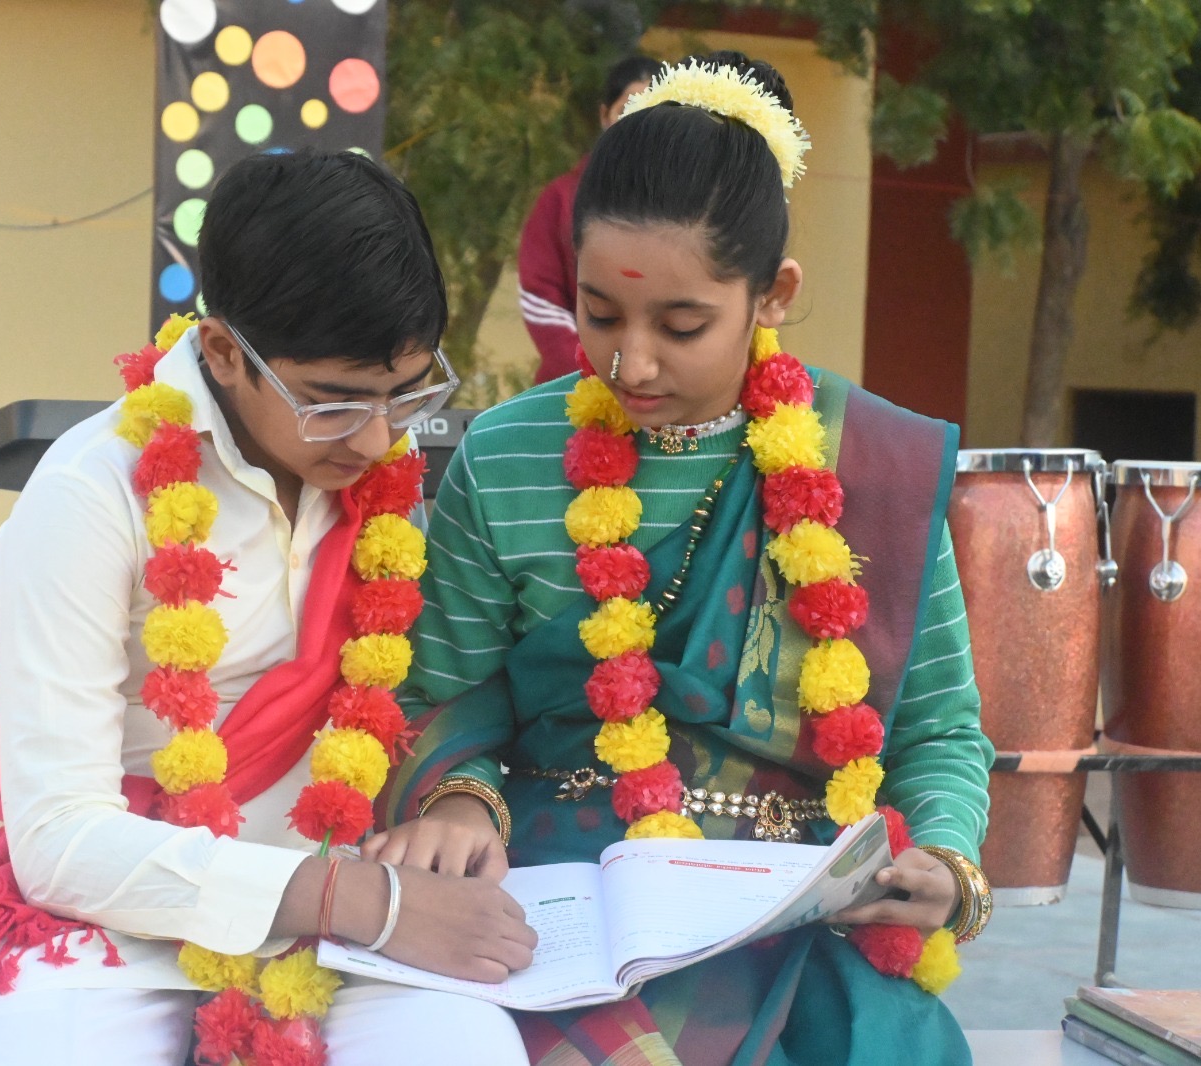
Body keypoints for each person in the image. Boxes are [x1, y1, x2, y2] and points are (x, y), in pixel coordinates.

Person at [371, 53, 995, 1065]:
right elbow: (436, 695)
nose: (632, 361)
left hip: (798, 913)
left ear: (773, 294)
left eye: (682, 324)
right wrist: (458, 797)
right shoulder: (508, 454)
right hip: (565, 903)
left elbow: (938, 730)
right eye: (599, 314)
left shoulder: (873, 463)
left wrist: (944, 859)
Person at [0, 150, 537, 1066]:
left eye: (406, 394)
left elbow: (438, 691)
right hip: (101, 919)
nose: (378, 437)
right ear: (223, 351)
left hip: (336, 916)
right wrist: (352, 901)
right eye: (335, 402)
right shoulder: (91, 492)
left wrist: (454, 808)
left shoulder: (378, 475)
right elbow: (59, 842)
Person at [519, 54, 664, 384]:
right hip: (577, 384)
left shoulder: (693, 203)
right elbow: (540, 297)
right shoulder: (560, 198)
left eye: (653, 110)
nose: (638, 122)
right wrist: (592, 371)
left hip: (667, 384)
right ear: (604, 115)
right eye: (627, 109)